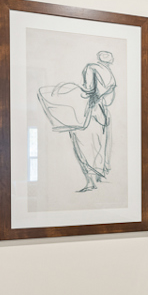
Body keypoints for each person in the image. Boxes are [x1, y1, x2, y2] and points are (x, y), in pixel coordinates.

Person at [37, 51, 117, 192]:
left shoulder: (91, 68)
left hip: (88, 113)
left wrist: (73, 90)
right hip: (102, 114)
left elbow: (88, 89)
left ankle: (91, 182)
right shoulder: (110, 75)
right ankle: (97, 177)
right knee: (98, 145)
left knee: (84, 146)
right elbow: (109, 98)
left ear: (99, 58)